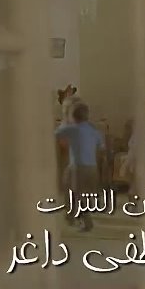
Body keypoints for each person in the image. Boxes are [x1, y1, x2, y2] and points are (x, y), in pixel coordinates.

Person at [54, 97, 105, 232]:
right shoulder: (93, 130)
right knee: (80, 191)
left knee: (77, 194)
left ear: (72, 116)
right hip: (92, 167)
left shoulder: (72, 129)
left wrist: (65, 120)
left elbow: (56, 134)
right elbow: (101, 146)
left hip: (78, 167)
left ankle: (87, 222)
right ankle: (71, 215)